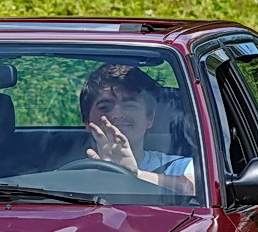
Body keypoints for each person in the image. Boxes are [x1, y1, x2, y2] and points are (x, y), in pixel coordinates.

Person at [78, 63, 196, 195]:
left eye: (129, 106)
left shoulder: (177, 166)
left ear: (149, 118)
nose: (118, 114)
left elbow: (192, 189)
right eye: (105, 107)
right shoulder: (75, 173)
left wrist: (133, 174)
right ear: (87, 121)